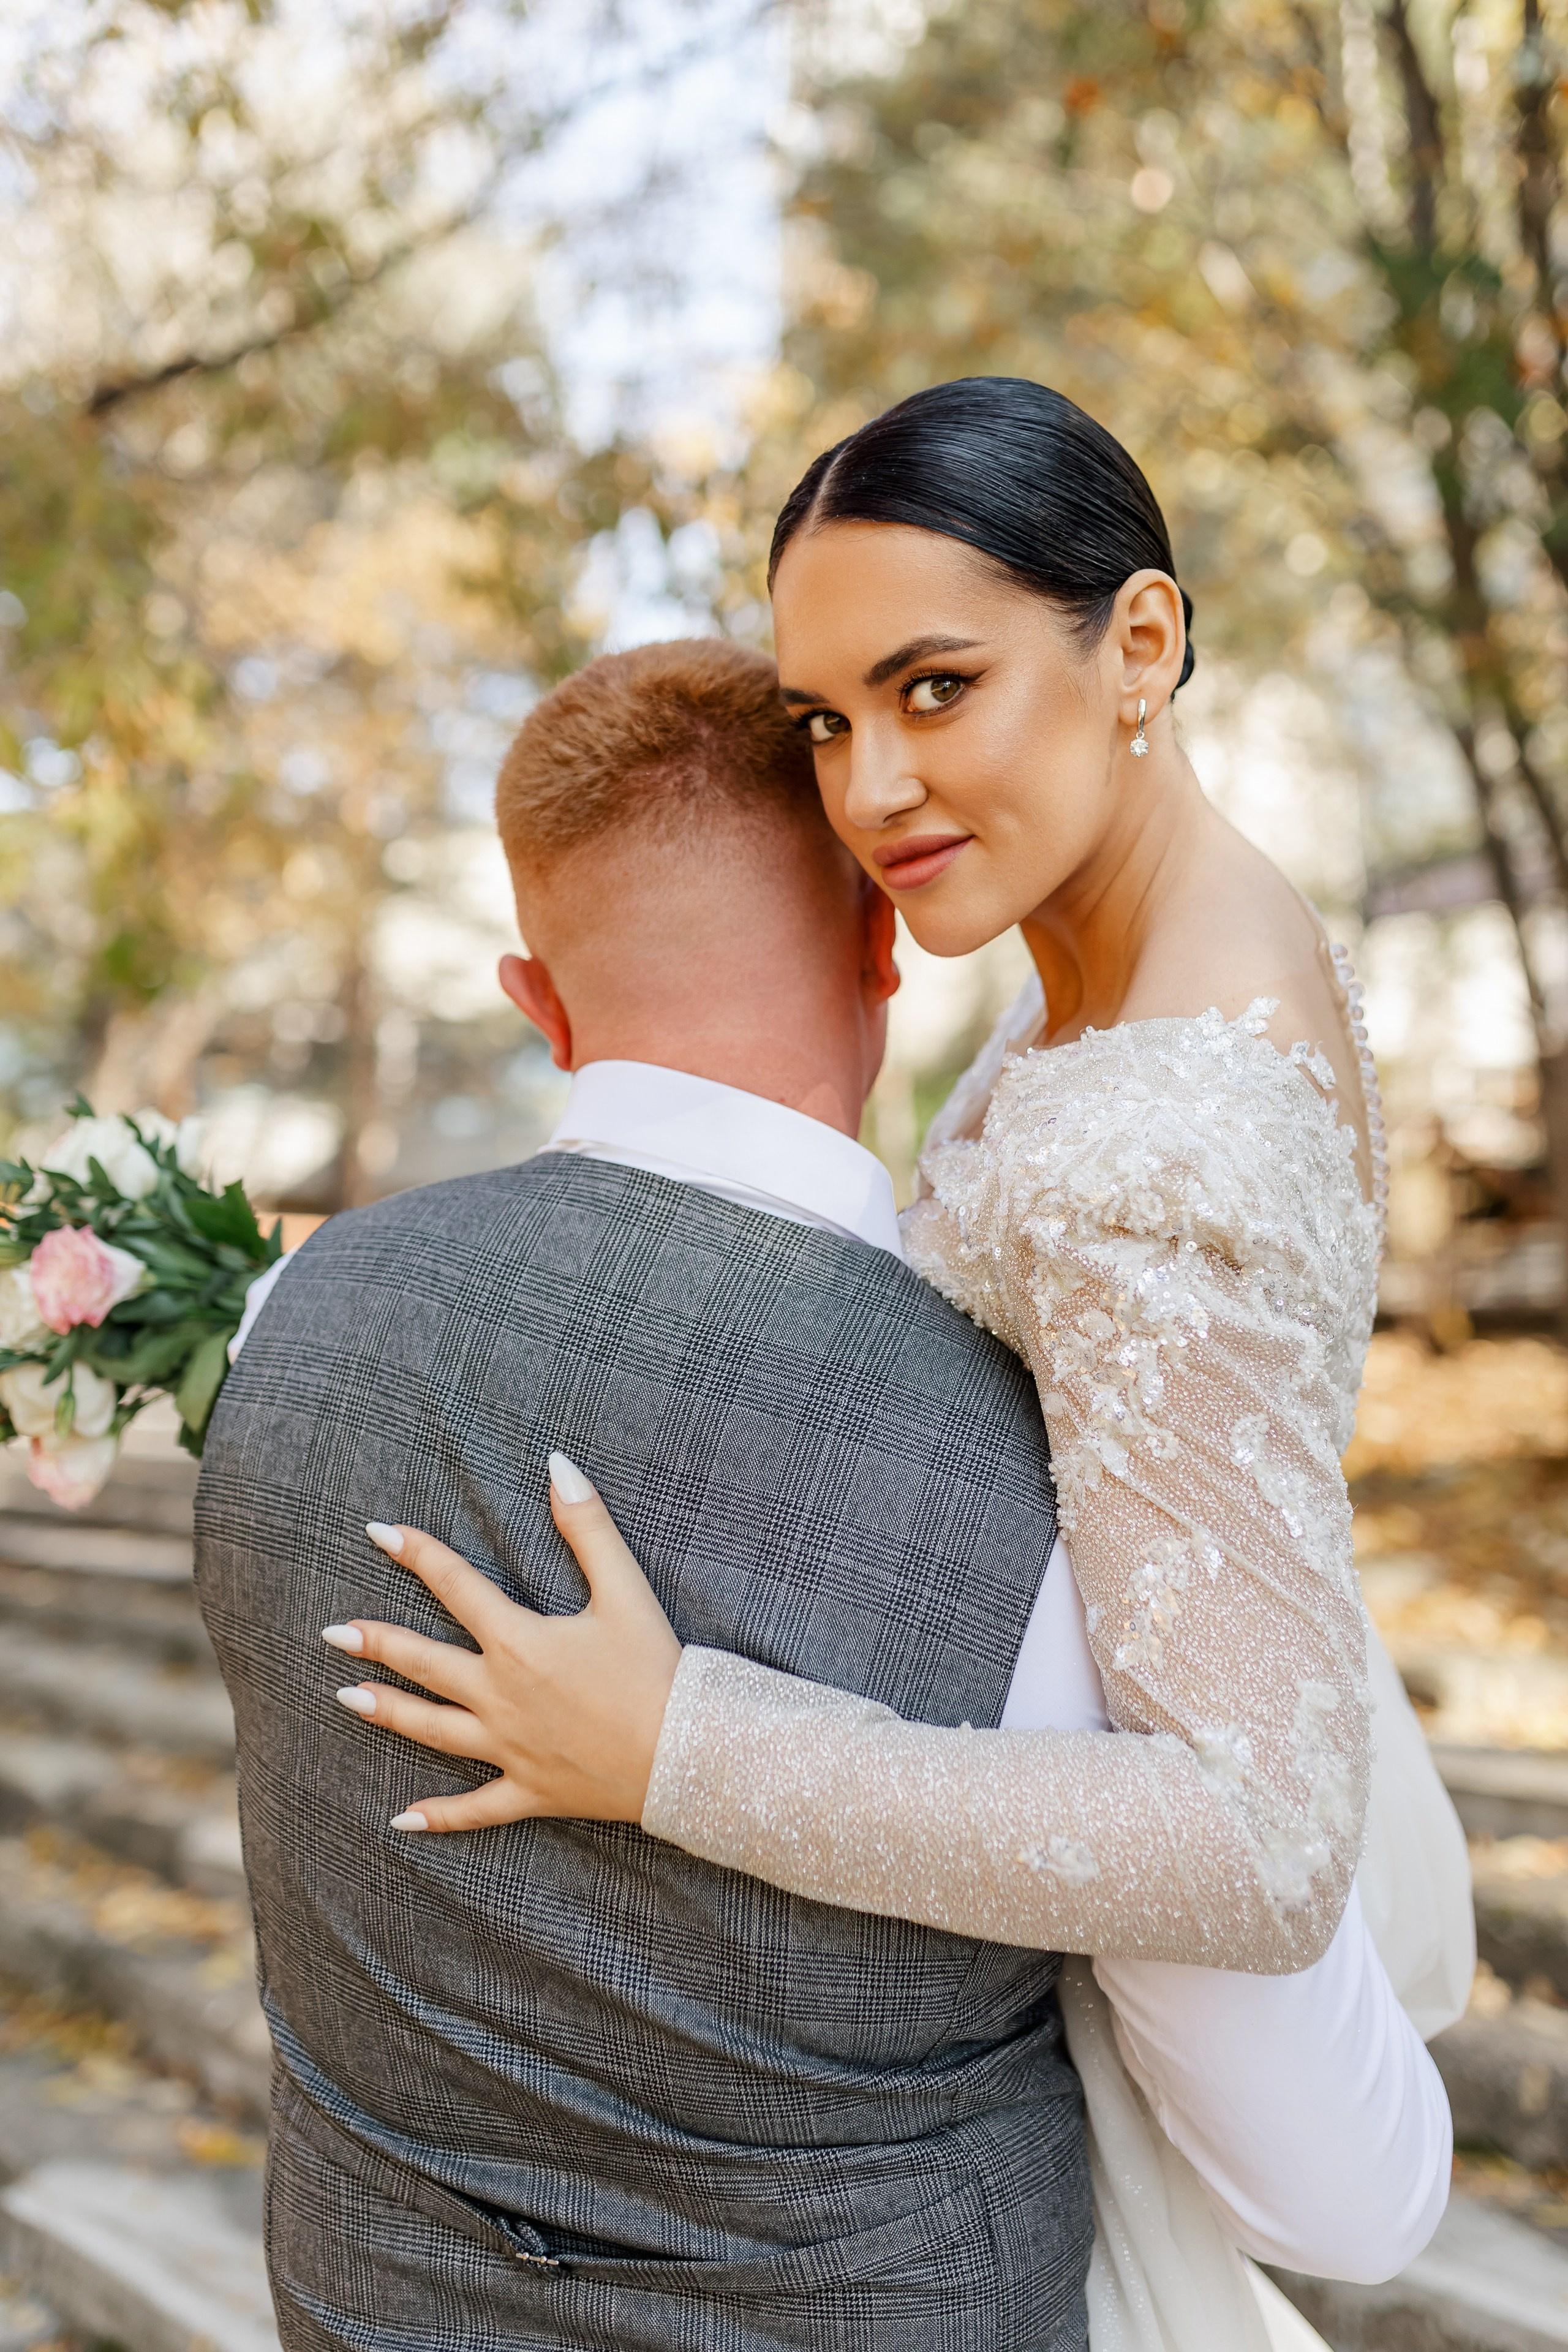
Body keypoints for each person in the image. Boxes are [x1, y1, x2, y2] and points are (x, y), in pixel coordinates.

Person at [322, 385, 1472, 2350]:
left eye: (937, 689)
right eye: (827, 720)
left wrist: (678, 1748)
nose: (869, 792)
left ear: (1140, 643)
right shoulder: (1132, 939)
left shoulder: (1164, 1142)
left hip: (1196, 1880)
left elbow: (1261, 1849)